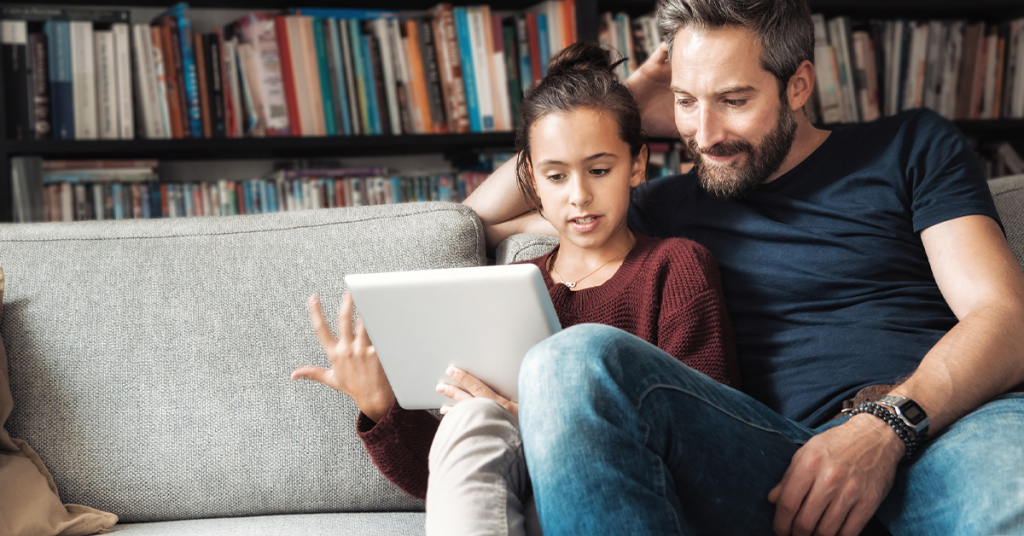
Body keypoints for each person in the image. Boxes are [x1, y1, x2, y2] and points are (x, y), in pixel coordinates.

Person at [463, 0, 1024, 535]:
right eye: (686, 101)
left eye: (732, 100)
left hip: (939, 422)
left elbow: (1004, 314)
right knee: (568, 361)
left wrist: (885, 427)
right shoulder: (655, 206)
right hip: (773, 461)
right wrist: (611, 111)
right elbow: (472, 225)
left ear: (798, 85)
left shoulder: (908, 146)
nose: (704, 136)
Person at [291, 41, 742, 536]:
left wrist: (540, 423)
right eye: (556, 175)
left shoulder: (674, 266)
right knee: (470, 420)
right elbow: (441, 479)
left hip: (616, 483)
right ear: (531, 179)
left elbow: (705, 431)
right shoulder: (512, 284)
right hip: (511, 492)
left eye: (599, 170)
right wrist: (379, 405)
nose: (579, 196)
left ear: (636, 165)